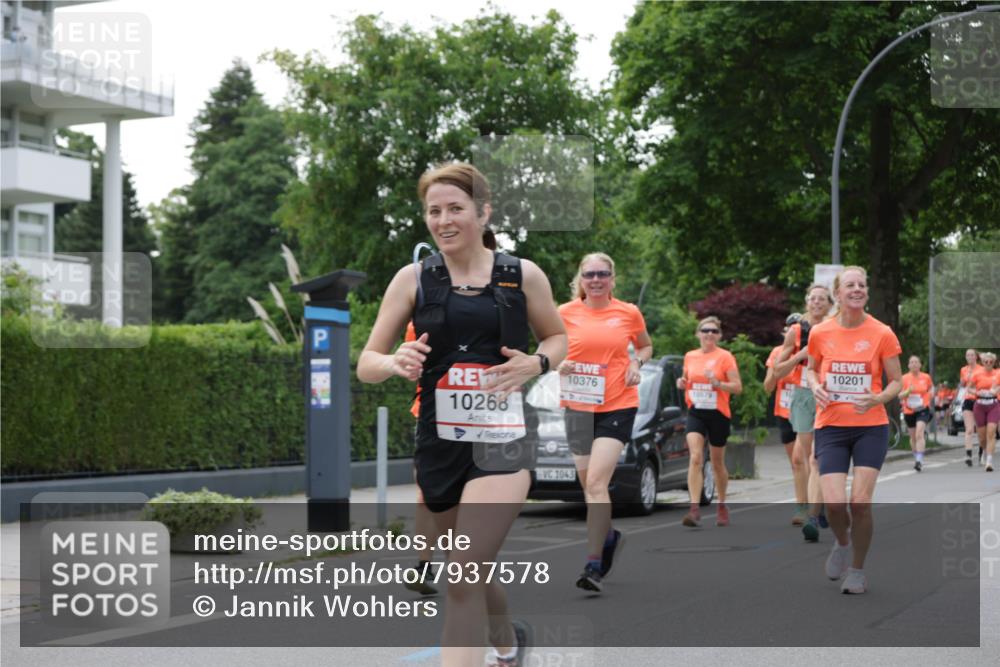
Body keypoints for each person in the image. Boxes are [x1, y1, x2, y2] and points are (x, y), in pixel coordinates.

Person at [357, 162, 567, 667]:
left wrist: (536, 363)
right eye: (434, 211)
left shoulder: (521, 275)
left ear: (483, 211)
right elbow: (367, 362)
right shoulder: (413, 279)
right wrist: (393, 361)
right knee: (470, 562)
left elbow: (557, 338)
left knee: (462, 572)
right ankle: (507, 643)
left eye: (455, 208)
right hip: (439, 440)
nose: (443, 220)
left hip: (505, 439)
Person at [557, 252, 653, 593]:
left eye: (602, 274)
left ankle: (593, 564)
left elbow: (645, 346)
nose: (595, 280)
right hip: (578, 407)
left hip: (617, 404)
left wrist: (636, 364)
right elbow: (551, 350)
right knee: (589, 489)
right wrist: (560, 364)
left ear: (612, 278)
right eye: (589, 275)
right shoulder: (563, 314)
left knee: (597, 484)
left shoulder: (628, 312)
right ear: (580, 280)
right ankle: (609, 536)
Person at [806, 266, 902, 595]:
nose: (857, 289)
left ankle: (857, 571)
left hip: (870, 427)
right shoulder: (820, 332)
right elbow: (811, 371)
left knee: (860, 503)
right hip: (830, 426)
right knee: (834, 505)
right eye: (851, 284)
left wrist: (878, 397)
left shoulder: (882, 333)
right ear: (838, 293)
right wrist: (816, 385)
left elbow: (897, 383)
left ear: (867, 292)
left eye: (862, 284)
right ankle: (842, 543)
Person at [774, 284, 835, 538]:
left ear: (830, 303)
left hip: (828, 393)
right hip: (801, 396)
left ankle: (815, 509)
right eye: (813, 298)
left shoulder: (836, 327)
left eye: (822, 299)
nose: (817, 302)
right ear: (807, 302)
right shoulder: (797, 331)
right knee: (805, 455)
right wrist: (801, 354)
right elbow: (778, 370)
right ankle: (815, 506)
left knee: (816, 459)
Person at [676, 316, 742, 528]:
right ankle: (694, 509)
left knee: (716, 463)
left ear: (719, 336)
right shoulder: (690, 356)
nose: (709, 334)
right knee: (695, 457)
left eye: (714, 331)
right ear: (698, 334)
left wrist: (718, 383)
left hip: (718, 414)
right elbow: (686, 379)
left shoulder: (725, 357)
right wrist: (681, 382)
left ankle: (722, 504)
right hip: (696, 412)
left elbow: (737, 387)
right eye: (705, 330)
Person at [764, 314, 802, 478]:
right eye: (790, 328)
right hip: (785, 412)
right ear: (785, 332)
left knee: (811, 460)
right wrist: (776, 369)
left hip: (807, 410)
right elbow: (768, 387)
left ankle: (816, 500)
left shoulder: (811, 350)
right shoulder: (777, 352)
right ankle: (804, 500)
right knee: (796, 463)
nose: (794, 331)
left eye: (798, 328)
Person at [899, 355, 934, 472]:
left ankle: (919, 461)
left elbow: (931, 388)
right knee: (913, 437)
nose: (914, 364)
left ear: (920, 365)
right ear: (908, 365)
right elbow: (899, 395)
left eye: (916, 362)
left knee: (919, 434)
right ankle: (916, 457)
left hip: (922, 409)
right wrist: (908, 391)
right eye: (911, 362)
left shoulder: (926, 377)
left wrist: (930, 396)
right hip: (909, 410)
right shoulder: (904, 378)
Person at [970, 352, 1000, 472]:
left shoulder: (998, 373)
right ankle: (983, 450)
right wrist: (977, 392)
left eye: (991, 362)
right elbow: (969, 388)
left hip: (993, 404)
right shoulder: (977, 374)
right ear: (982, 363)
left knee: (991, 432)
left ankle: (989, 461)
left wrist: (995, 390)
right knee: (982, 437)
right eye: (986, 362)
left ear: (994, 362)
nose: (988, 364)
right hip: (980, 405)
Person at [959, 349, 982, 466]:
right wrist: (964, 380)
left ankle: (981, 452)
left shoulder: (981, 369)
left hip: (980, 400)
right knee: (969, 430)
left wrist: (973, 381)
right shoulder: (963, 370)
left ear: (976, 357)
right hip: (968, 400)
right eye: (968, 355)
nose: (970, 357)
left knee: (980, 430)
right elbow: (962, 384)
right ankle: (968, 455)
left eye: (972, 355)